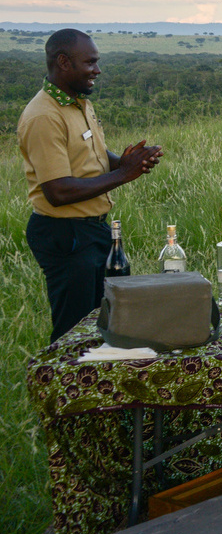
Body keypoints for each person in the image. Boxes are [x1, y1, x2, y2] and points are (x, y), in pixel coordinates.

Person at [17, 29, 163, 343]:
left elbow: (93, 157)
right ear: (63, 62)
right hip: (65, 234)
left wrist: (126, 161)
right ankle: (62, 389)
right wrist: (124, 175)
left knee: (106, 324)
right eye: (91, 63)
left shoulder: (79, 103)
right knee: (74, 332)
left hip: (94, 230)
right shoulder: (43, 116)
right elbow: (58, 192)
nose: (97, 70)